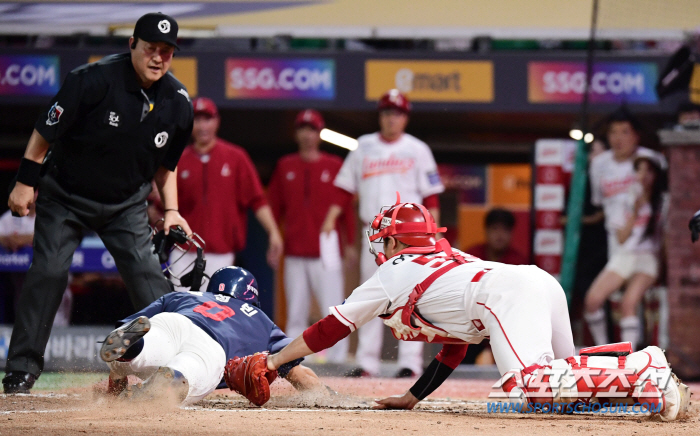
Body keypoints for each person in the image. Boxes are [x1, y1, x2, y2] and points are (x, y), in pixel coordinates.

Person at [241, 197, 689, 421]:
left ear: (396, 243)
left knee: (526, 392)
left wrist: (276, 358)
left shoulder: (395, 271)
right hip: (532, 283)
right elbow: (454, 347)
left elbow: (331, 328)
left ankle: (646, 369)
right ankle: (637, 381)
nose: (380, 247)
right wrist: (412, 398)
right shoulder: (447, 261)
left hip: (507, 293)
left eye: (384, 239)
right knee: (562, 392)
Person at [2, 12, 193, 394]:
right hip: (66, 197)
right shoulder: (91, 80)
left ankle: (175, 368)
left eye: (166, 52)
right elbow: (44, 133)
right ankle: (22, 369)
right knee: (49, 273)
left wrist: (171, 209)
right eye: (151, 49)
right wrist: (25, 183)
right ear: (132, 45)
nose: (158, 58)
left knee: (150, 282)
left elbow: (166, 167)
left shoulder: (178, 103)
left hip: (125, 204)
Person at [322, 89, 445, 378]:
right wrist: (330, 219)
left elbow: (433, 196)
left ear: (405, 118)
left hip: (410, 234)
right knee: (370, 295)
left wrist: (435, 237)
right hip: (375, 233)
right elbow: (344, 189)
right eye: (388, 113)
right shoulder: (363, 146)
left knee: (412, 295)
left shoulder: (417, 149)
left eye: (398, 113)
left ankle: (411, 362)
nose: (392, 119)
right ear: (381, 116)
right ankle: (367, 362)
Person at [101, 266, 325, 405]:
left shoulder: (185, 295)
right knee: (189, 370)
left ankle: (136, 349)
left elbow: (131, 322)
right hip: (211, 346)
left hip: (175, 322)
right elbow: (299, 373)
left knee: (148, 345)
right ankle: (173, 378)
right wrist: (323, 396)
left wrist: (116, 387)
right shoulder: (260, 318)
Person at [267, 109, 355, 364]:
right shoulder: (285, 166)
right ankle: (294, 361)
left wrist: (349, 243)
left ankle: (338, 359)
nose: (308, 135)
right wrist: (275, 240)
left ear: (320, 134)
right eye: (303, 129)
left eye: (313, 130)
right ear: (296, 134)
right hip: (295, 250)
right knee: (295, 310)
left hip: (327, 251)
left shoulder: (334, 165)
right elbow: (273, 207)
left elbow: (345, 208)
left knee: (334, 308)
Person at [170, 97, 283, 286]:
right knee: (182, 310)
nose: (202, 126)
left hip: (221, 251)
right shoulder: (178, 159)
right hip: (183, 251)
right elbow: (161, 206)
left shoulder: (235, 157)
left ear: (217, 121)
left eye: (207, 119)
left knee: (215, 309)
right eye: (197, 120)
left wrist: (273, 232)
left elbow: (257, 200)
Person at [584, 107, 667, 349]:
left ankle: (633, 358)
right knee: (597, 300)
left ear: (636, 135)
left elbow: (665, 207)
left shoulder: (653, 161)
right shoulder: (599, 164)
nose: (618, 138)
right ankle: (605, 353)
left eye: (625, 132)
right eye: (613, 132)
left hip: (646, 249)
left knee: (631, 303)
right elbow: (599, 203)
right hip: (618, 246)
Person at [0, 200, 72, 327]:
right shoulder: (11, 216)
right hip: (24, 275)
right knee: (25, 303)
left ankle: (57, 337)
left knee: (54, 302)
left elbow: (58, 234)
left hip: (50, 269)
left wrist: (24, 239)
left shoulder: (53, 214)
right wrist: (7, 239)